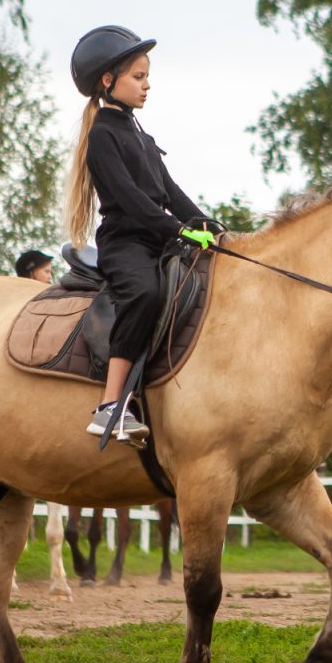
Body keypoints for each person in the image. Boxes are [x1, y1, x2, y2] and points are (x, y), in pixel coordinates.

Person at [62, 25, 221, 444]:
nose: (147, 85)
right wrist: (179, 230)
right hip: (125, 244)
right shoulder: (102, 136)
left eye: (147, 76)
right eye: (138, 76)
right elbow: (132, 201)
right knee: (146, 293)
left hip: (157, 238)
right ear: (108, 81)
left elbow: (170, 191)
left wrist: (207, 224)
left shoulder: (140, 135)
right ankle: (110, 405)